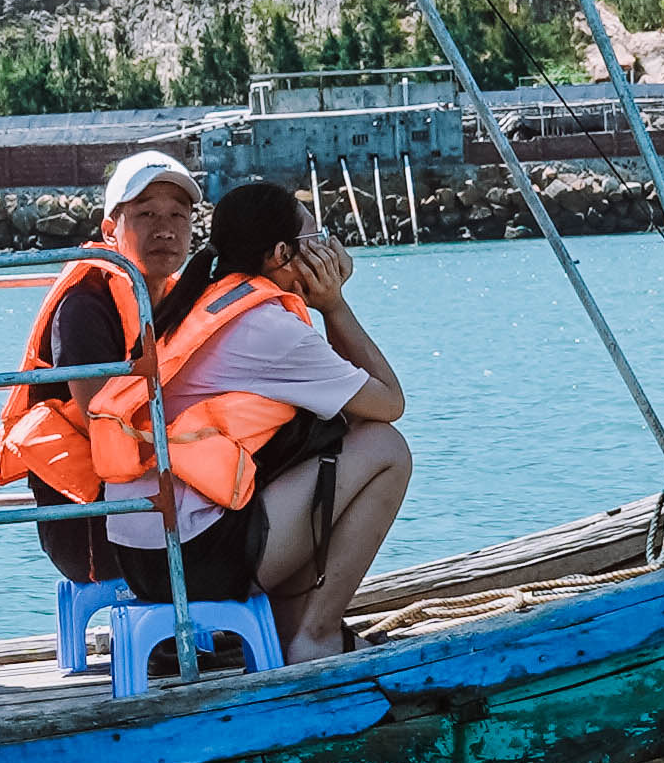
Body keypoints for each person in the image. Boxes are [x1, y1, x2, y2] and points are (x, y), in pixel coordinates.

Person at [87, 175, 418, 661]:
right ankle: (315, 635)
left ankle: (289, 627)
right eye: (313, 240)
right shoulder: (265, 326)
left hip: (146, 555)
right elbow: (389, 403)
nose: (325, 249)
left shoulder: (205, 299)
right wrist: (334, 304)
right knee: (386, 449)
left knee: (323, 445)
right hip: (191, 559)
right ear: (282, 254)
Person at [0, 147, 202, 588]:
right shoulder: (85, 306)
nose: (165, 229)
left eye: (178, 216)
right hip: (93, 523)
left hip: (161, 488)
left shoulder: (184, 301)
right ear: (111, 229)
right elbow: (104, 423)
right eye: (145, 214)